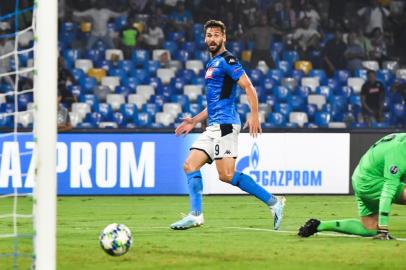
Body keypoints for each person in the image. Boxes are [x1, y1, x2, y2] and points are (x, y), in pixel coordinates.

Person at [170, 20, 286, 230]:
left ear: (224, 38)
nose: (212, 39)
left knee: (226, 175)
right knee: (189, 165)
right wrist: (195, 120)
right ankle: (195, 215)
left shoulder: (228, 60)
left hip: (225, 125)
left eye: (216, 35)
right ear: (204, 38)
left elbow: (248, 87)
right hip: (212, 126)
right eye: (209, 35)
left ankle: (274, 202)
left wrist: (254, 114)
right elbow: (214, 103)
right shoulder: (211, 64)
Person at [299, 133, 406, 240]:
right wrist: (383, 229)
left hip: (360, 179)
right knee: (391, 188)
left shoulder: (401, 142)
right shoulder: (399, 152)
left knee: (369, 228)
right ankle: (381, 230)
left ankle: (318, 225)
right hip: (371, 183)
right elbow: (388, 191)